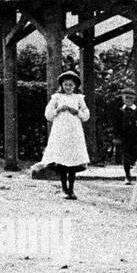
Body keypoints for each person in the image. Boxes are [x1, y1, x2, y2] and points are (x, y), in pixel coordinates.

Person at [31, 71, 91, 200]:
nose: (68, 87)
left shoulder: (79, 98)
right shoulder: (56, 97)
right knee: (63, 162)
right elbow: (48, 114)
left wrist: (77, 112)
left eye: (70, 84)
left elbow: (86, 116)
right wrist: (58, 109)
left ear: (75, 86)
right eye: (65, 84)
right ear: (62, 85)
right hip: (61, 132)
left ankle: (72, 189)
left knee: (73, 161)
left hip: (74, 132)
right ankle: (64, 188)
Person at [113, 87, 137, 184]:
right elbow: (116, 124)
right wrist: (117, 136)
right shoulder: (119, 110)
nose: (129, 100)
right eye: (126, 98)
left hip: (135, 136)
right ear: (122, 98)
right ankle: (127, 176)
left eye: (131, 98)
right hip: (124, 136)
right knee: (126, 156)